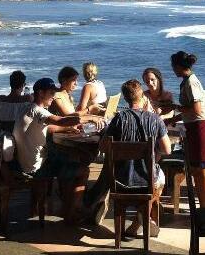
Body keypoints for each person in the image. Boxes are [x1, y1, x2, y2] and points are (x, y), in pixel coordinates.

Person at [95, 79, 171, 236]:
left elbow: (102, 147)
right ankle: (141, 216)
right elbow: (167, 149)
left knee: (153, 175)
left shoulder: (119, 119)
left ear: (125, 98)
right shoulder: (154, 119)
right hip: (145, 180)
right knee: (160, 178)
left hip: (120, 179)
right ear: (142, 95)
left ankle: (138, 220)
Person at [12, 78, 88, 223]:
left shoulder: (26, 108)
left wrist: (69, 128)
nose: (54, 96)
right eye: (51, 93)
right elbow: (60, 121)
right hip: (38, 168)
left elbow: (49, 126)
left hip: (24, 162)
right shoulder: (39, 111)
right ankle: (73, 211)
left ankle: (66, 205)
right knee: (83, 170)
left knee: (66, 159)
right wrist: (87, 117)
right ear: (41, 93)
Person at [171, 50, 205, 207]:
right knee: (196, 169)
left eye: (173, 66)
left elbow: (196, 109)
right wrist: (176, 117)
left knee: (203, 171)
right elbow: (190, 109)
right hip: (193, 127)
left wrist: (178, 109)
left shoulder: (191, 83)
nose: (172, 69)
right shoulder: (187, 81)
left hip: (199, 129)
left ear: (178, 66)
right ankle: (203, 204)